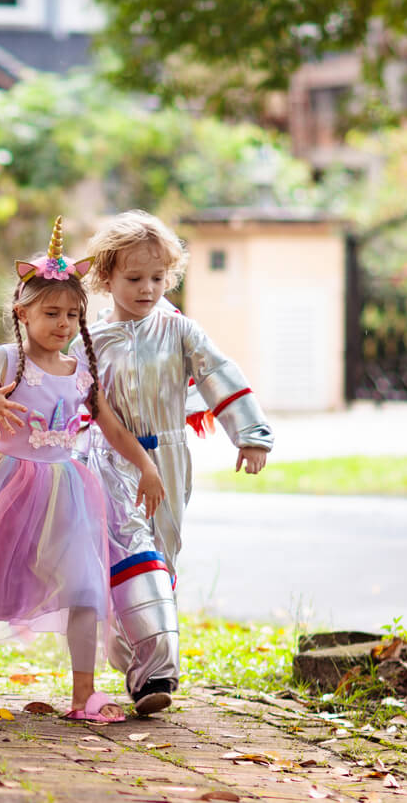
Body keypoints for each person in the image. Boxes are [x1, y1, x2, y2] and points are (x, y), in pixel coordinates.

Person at [0, 217, 164, 723]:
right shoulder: (2, 360)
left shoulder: (81, 370)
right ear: (22, 313)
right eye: (50, 312)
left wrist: (146, 466)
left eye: (71, 314)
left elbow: (111, 426)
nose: (62, 323)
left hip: (66, 486)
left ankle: (84, 694)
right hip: (5, 481)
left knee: (87, 585)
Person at [80, 210, 273, 715]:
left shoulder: (180, 330)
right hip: (112, 460)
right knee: (132, 556)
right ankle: (158, 670)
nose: (147, 288)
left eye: (158, 278)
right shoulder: (92, 342)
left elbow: (218, 373)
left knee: (161, 558)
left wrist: (250, 436)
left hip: (169, 460)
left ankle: (135, 663)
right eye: (134, 278)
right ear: (106, 277)